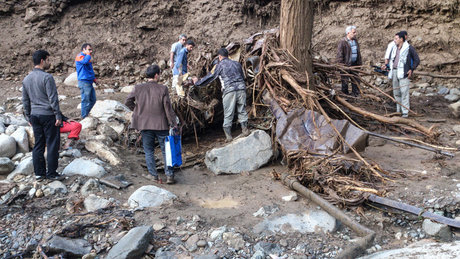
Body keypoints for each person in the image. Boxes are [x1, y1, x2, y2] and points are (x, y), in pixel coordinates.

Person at [125, 65, 178, 184]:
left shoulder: (138, 88)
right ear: (156, 75)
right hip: (161, 124)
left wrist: (138, 111)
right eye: (159, 74)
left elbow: (127, 101)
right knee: (166, 151)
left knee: (149, 151)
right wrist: (172, 123)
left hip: (144, 124)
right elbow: (167, 108)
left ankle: (153, 175)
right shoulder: (163, 88)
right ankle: (169, 175)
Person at [192, 48, 249, 142]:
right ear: (228, 55)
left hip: (229, 90)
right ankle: (245, 130)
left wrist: (197, 82)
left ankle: (229, 136)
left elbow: (210, 77)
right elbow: (243, 77)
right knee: (242, 109)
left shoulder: (219, 65)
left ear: (220, 56)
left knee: (228, 113)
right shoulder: (237, 63)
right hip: (241, 88)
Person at [22, 50, 62, 181]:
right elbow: (53, 98)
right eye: (48, 60)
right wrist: (58, 115)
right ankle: (51, 173)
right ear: (42, 61)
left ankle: (39, 173)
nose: (49, 63)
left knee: (38, 144)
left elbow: (25, 100)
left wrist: (28, 116)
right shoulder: (47, 77)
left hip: (34, 115)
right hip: (48, 115)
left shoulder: (26, 79)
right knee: (52, 144)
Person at [388, 31, 420, 117]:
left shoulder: (409, 48)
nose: (394, 40)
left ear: (401, 39)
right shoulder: (394, 48)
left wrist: (411, 69)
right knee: (396, 92)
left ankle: (405, 112)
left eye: (396, 38)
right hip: (394, 71)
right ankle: (399, 109)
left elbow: (417, 60)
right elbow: (392, 60)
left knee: (404, 92)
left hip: (404, 72)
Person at [336, 25, 362, 96]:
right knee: (345, 81)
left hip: (355, 64)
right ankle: (345, 96)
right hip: (346, 65)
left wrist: (359, 63)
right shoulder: (343, 42)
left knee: (355, 80)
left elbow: (358, 52)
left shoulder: (355, 41)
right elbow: (339, 55)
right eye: (354, 32)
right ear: (348, 33)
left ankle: (355, 95)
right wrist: (341, 66)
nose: (355, 34)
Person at [76, 43, 97, 118]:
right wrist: (88, 55)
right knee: (85, 100)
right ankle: (84, 116)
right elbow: (84, 62)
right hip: (84, 81)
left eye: (91, 50)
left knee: (93, 100)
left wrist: (93, 78)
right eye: (89, 49)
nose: (90, 51)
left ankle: (87, 114)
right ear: (83, 49)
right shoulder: (80, 56)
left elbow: (89, 69)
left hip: (89, 81)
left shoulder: (87, 57)